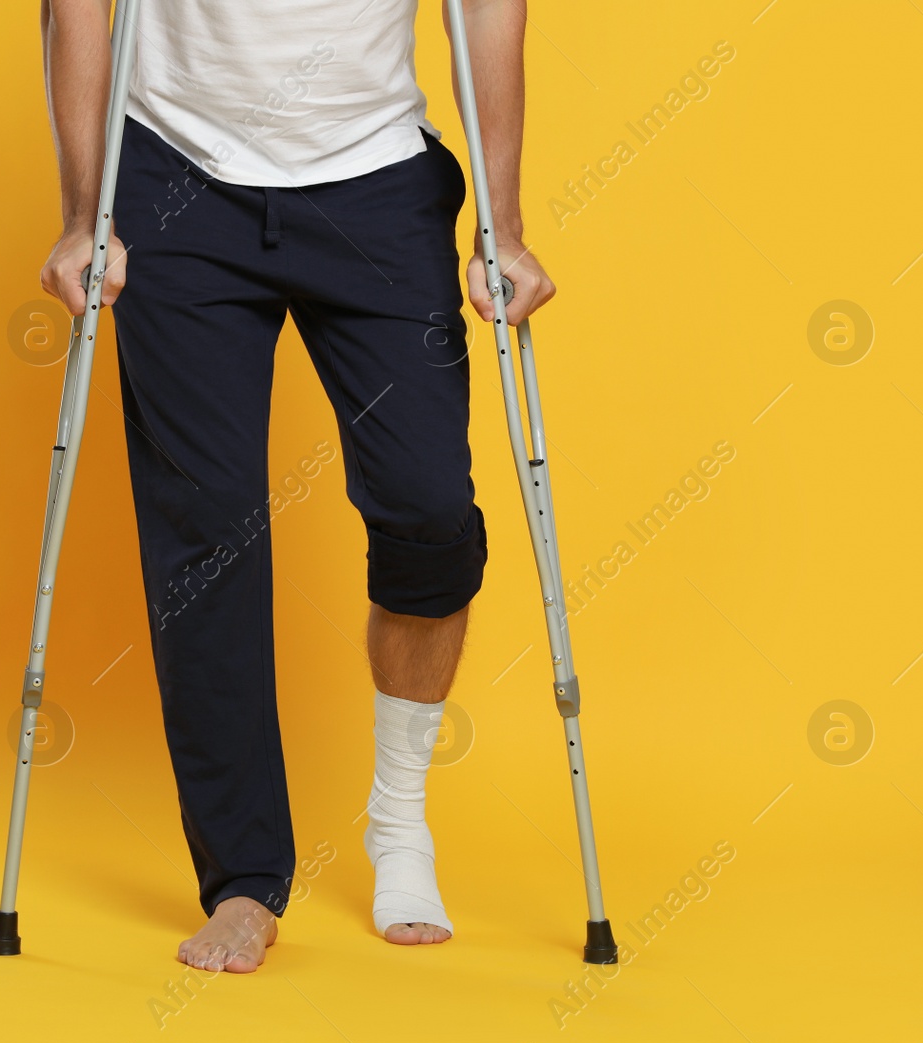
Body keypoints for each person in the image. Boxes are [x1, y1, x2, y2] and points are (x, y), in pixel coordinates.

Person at [37, 0, 556, 973]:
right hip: (175, 179)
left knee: (429, 508)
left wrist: (507, 224)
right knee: (207, 526)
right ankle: (242, 879)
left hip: (376, 186)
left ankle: (398, 820)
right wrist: (82, 216)